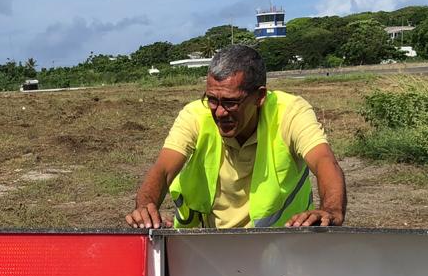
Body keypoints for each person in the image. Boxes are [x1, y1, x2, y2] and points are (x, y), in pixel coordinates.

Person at [126, 45, 346, 229]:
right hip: (209, 247)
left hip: (281, 246)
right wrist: (145, 206)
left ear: (259, 96)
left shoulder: (290, 111)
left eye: (231, 102)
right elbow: (163, 169)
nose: (220, 112)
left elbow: (324, 161)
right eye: (212, 99)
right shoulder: (195, 114)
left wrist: (330, 210)